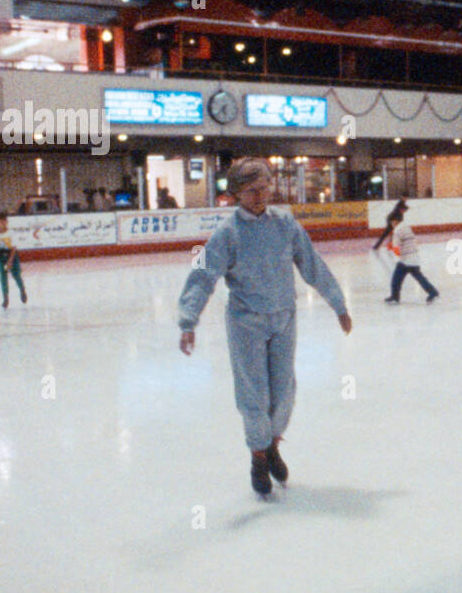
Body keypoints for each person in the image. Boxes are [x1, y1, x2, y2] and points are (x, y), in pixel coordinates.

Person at [177, 157, 353, 497]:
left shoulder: (285, 224)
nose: (259, 196)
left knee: (284, 389)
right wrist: (189, 321)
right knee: (253, 394)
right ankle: (259, 456)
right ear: (236, 195)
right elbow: (202, 277)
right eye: (250, 191)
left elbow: (312, 265)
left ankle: (272, 444)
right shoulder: (227, 233)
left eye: (264, 188)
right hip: (247, 323)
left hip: (284, 317)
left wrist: (338, 304)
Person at [384, 210, 439, 304]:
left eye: (391, 222)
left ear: (395, 221)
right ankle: (433, 292)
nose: (391, 224)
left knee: (396, 279)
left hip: (405, 260)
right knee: (419, 278)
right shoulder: (406, 227)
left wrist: (392, 250)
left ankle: (395, 296)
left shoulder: (397, 231)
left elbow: (397, 247)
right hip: (414, 257)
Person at [0, 212, 27, 309]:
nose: (3, 223)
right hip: (2, 257)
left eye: (4, 221)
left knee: (16, 276)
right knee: (3, 278)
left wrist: (10, 260)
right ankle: (5, 298)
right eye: (0, 221)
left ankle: (22, 289)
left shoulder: (11, 233)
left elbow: (14, 248)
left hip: (12, 256)